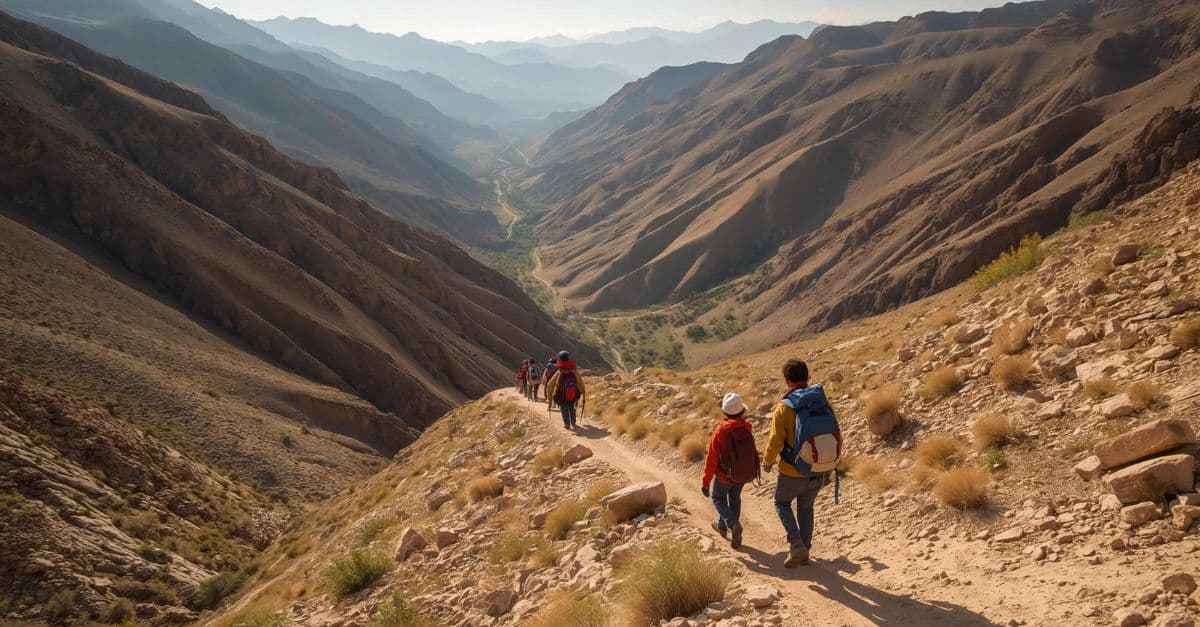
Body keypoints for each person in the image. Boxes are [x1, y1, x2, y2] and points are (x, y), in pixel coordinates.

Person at [762, 359, 841, 568]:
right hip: (820, 468)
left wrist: (767, 462)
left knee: (782, 502)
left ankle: (796, 544)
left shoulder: (784, 408)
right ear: (808, 378)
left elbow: (775, 441)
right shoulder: (822, 402)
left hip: (793, 470)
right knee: (806, 506)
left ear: (786, 381)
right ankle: (805, 547)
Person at [701, 392, 759, 549]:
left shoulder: (721, 431)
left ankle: (733, 525)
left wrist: (706, 481)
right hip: (742, 473)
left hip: (724, 475)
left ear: (725, 412)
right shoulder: (746, 427)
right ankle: (723, 525)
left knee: (718, 498)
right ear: (742, 411)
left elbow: (711, 458)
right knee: (735, 498)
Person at [545, 351, 585, 430]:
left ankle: (567, 424)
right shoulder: (574, 371)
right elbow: (580, 383)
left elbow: (550, 384)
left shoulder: (560, 371)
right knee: (571, 407)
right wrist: (583, 394)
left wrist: (550, 398)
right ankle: (573, 422)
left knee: (564, 409)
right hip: (573, 394)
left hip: (562, 395)